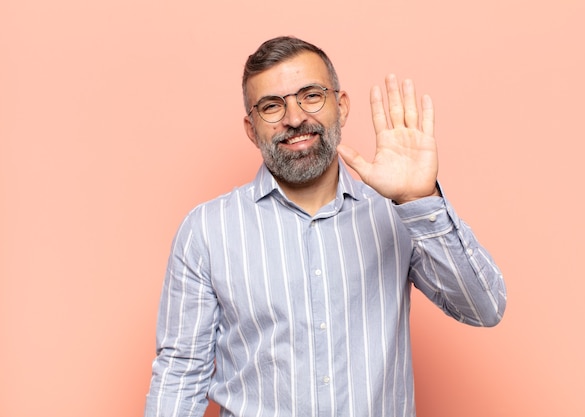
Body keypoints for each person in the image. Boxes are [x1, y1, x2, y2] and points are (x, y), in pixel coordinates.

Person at [144, 36, 506, 417]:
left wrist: (420, 200)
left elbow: (483, 307)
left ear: (341, 106)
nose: (295, 118)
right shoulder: (206, 231)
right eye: (271, 106)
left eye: (311, 96)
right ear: (251, 129)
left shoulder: (395, 212)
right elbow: (180, 376)